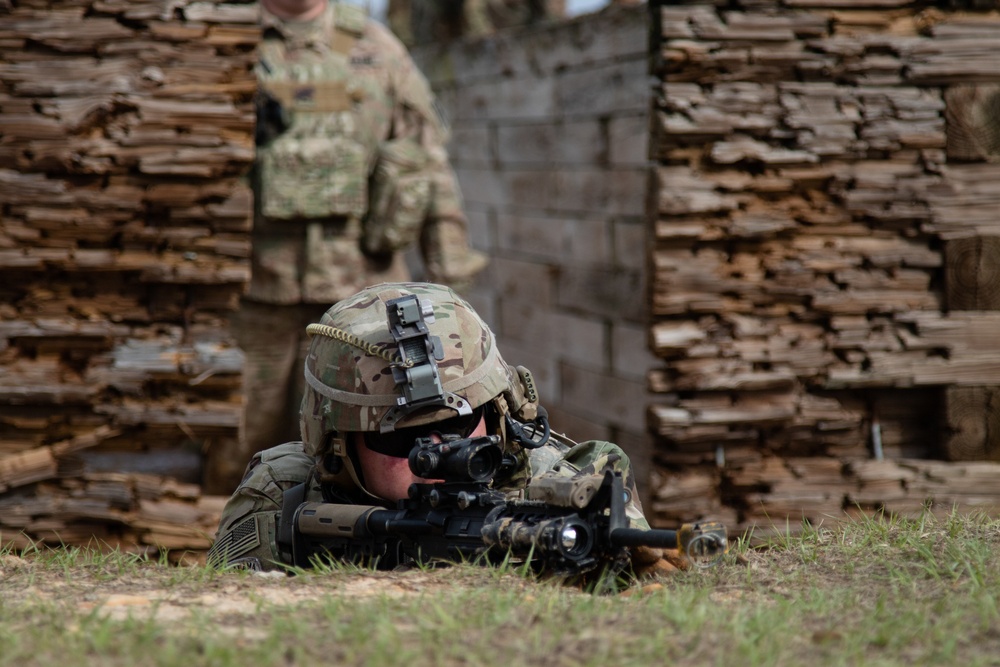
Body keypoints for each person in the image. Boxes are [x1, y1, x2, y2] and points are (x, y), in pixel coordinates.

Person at [208, 282, 677, 578]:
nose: (436, 453)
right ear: (336, 444)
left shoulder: (563, 489)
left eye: (457, 424)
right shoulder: (285, 495)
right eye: (398, 438)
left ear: (496, 414)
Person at [213, 0, 488, 492]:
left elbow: (428, 165)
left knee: (366, 449)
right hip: (249, 296)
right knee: (230, 445)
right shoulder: (224, 38)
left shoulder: (377, 49)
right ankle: (222, 549)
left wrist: (450, 287)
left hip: (364, 308)